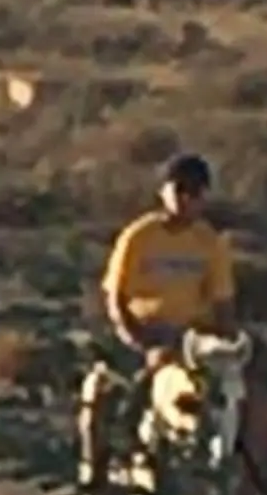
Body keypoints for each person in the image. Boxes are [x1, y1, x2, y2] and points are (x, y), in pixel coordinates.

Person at [101, 152, 239, 359]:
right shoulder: (138, 237)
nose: (185, 198)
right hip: (146, 331)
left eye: (194, 192)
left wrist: (228, 341)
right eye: (179, 189)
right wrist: (137, 338)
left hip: (194, 335)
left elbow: (222, 300)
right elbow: (116, 298)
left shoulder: (209, 241)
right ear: (163, 192)